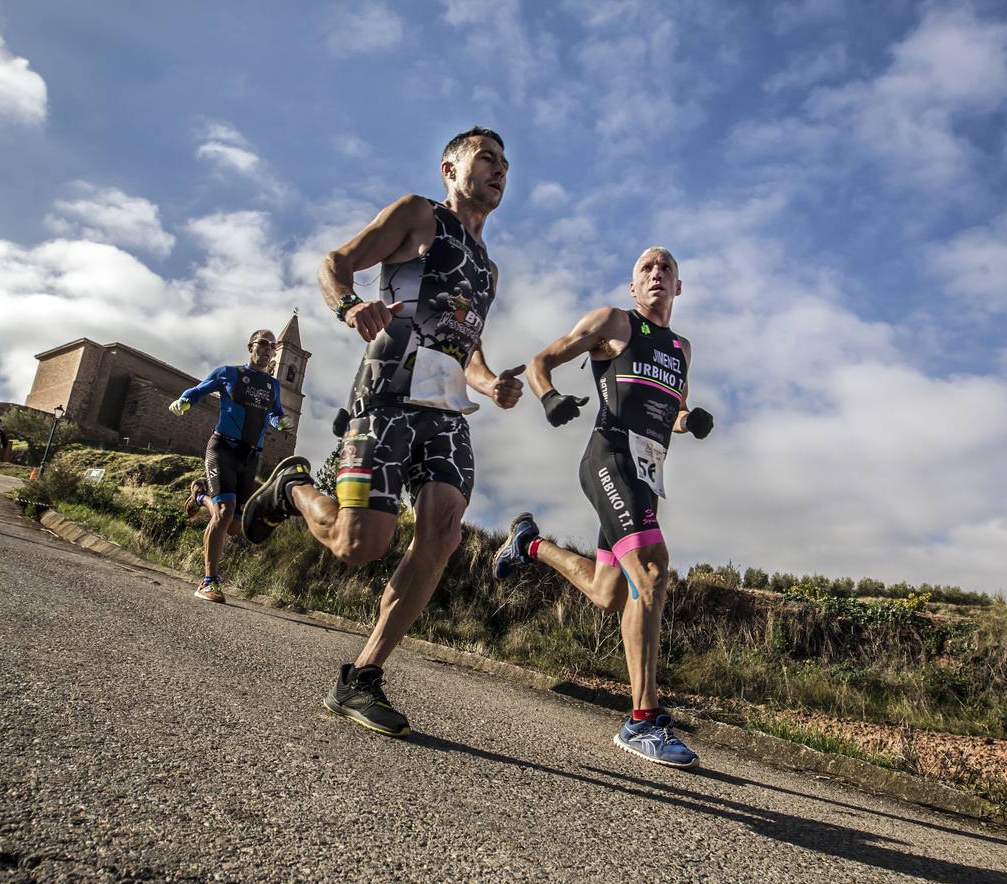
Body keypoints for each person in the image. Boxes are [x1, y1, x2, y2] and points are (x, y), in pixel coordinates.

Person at [242, 126, 522, 737]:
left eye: (506, 164)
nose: (500, 170)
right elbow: (335, 263)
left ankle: (362, 676)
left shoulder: (489, 269)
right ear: (450, 168)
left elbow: (466, 347)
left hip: (446, 411)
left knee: (443, 531)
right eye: (486, 159)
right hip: (388, 394)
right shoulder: (419, 216)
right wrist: (349, 305)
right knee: (357, 546)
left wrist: (490, 383)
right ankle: (290, 487)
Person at [492, 247, 714, 768]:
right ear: (633, 287)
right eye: (647, 269)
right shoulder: (614, 323)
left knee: (609, 590)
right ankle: (643, 720)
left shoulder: (681, 348)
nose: (657, 274)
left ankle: (529, 543)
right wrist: (548, 396)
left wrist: (688, 421)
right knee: (653, 570)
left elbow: (669, 407)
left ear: (678, 287)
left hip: (645, 473)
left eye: (667, 269)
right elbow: (542, 360)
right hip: (609, 459)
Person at [169, 329, 292, 603]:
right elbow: (199, 390)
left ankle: (200, 496)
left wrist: (279, 422)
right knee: (224, 512)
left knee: (234, 526)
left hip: (250, 457)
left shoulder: (273, 386)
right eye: (262, 344)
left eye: (272, 347)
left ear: (274, 354)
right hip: (223, 447)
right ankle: (208, 582)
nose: (267, 349)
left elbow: (274, 413)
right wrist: (185, 401)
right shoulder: (229, 373)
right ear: (251, 347)